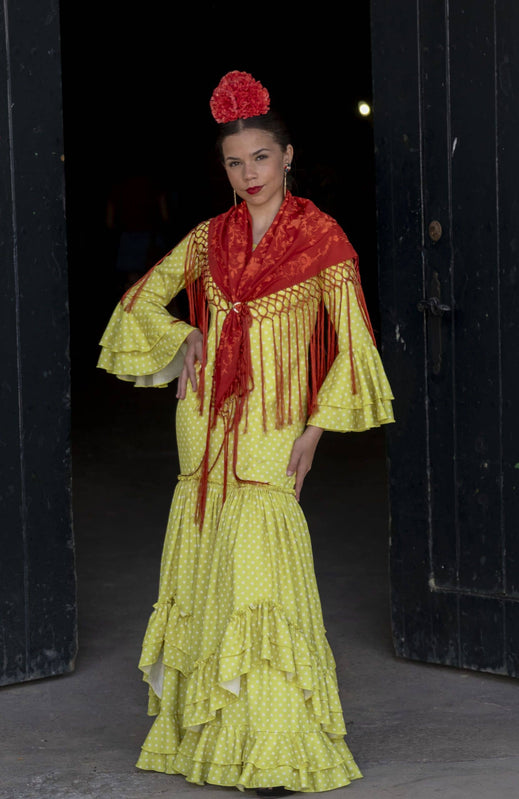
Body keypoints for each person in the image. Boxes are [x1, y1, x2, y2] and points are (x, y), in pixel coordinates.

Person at [97, 71, 394, 794]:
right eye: (234, 162)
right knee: (208, 562)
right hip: (202, 420)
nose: (247, 173)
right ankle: (203, 737)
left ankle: (271, 742)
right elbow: (137, 304)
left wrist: (314, 431)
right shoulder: (208, 237)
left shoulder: (321, 237)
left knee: (261, 565)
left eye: (260, 156)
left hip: (271, 424)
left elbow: (354, 345)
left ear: (287, 156)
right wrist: (185, 333)